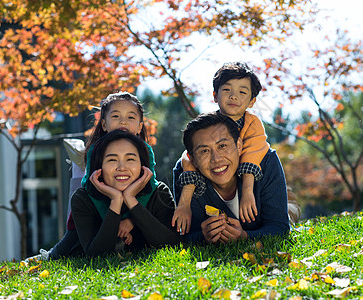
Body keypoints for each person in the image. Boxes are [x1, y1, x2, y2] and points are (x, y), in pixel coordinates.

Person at [26, 91, 160, 260]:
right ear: (104, 124)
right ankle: (45, 257)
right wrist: (112, 219)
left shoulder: (145, 151)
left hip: (133, 210)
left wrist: (132, 220)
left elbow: (150, 187)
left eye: (131, 117)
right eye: (116, 116)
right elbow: (91, 189)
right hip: (98, 211)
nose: (123, 121)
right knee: (67, 247)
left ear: (140, 126)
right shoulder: (96, 150)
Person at [172, 62, 270, 235]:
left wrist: (247, 191)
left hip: (248, 187)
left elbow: (254, 154)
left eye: (242, 92)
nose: (233, 96)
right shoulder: (208, 124)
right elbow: (188, 156)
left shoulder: (253, 125)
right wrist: (184, 203)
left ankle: (290, 206)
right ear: (215, 96)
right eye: (227, 90)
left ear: (252, 101)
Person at [173, 112, 290, 243]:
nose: (216, 159)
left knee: (292, 210)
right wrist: (204, 237)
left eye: (222, 146)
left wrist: (244, 236)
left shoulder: (267, 161)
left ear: (239, 146)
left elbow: (280, 227)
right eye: (204, 151)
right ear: (192, 159)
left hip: (279, 194)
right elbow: (184, 236)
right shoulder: (185, 174)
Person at [71, 130, 181, 256]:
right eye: (112, 160)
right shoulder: (82, 199)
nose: (122, 167)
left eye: (130, 159)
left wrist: (131, 199)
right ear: (99, 167)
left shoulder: (159, 193)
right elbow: (96, 255)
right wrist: (116, 201)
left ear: (142, 165)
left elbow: (172, 245)